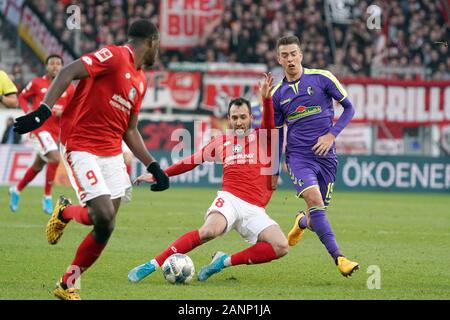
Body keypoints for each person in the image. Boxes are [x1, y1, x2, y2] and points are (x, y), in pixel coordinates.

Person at [13, 19, 169, 300]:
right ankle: (65, 213)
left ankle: (67, 281)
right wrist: (43, 111)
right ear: (152, 42)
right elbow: (71, 70)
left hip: (111, 153)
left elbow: (130, 129)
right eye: (159, 44)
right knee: (103, 214)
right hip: (81, 145)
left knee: (106, 225)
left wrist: (154, 166)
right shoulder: (116, 55)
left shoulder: (141, 81)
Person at [128, 73, 289, 284]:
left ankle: (223, 262)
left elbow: (270, 123)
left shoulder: (263, 138)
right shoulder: (221, 142)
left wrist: (267, 100)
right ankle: (152, 264)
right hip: (229, 199)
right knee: (208, 231)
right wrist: (159, 173)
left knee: (281, 246)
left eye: (243, 117)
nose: (239, 122)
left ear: (251, 118)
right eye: (235, 117)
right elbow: (191, 161)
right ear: (229, 120)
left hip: (254, 208)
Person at [271, 35, 359, 277]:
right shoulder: (278, 95)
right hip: (299, 158)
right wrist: (275, 169)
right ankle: (340, 258)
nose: (290, 59)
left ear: (301, 55)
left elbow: (349, 108)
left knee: (316, 216)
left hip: (327, 157)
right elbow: (277, 135)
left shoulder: (322, 78)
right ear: (279, 59)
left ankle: (300, 222)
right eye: (285, 55)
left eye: (293, 54)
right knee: (315, 200)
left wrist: (331, 135)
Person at [9, 54, 75, 214]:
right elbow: (22, 97)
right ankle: (47, 197)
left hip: (54, 132)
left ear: (62, 67)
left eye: (58, 64)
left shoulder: (69, 87)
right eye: (51, 63)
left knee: (38, 165)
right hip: (38, 129)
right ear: (46, 66)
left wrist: (63, 112)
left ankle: (16, 190)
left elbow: (73, 110)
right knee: (54, 157)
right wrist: (29, 113)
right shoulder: (37, 82)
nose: (54, 66)